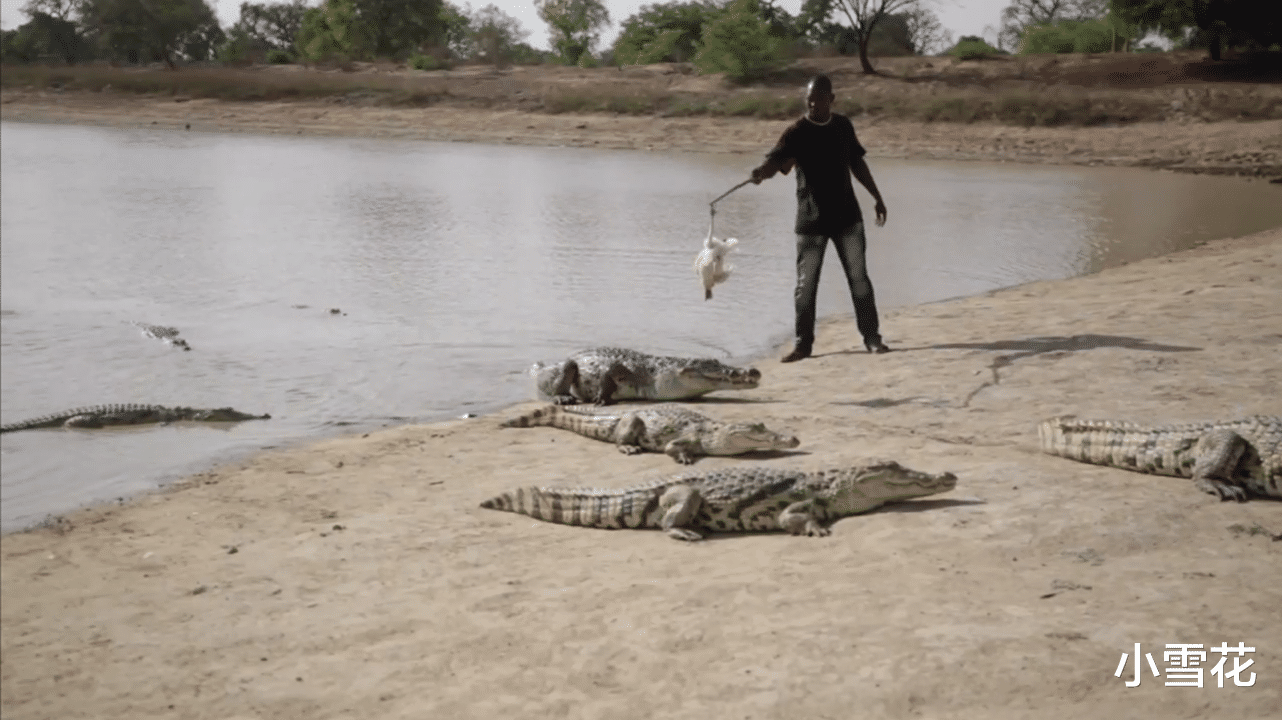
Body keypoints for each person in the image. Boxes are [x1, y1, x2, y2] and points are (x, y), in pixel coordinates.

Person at [750, 74, 890, 362]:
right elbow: (776, 162)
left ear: (831, 99)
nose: (814, 104)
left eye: (820, 99)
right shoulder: (796, 132)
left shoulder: (843, 126)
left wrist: (877, 196)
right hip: (810, 220)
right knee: (805, 286)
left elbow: (857, 163)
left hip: (847, 217)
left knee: (859, 279)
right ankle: (803, 346)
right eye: (809, 99)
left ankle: (872, 338)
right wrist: (761, 172)